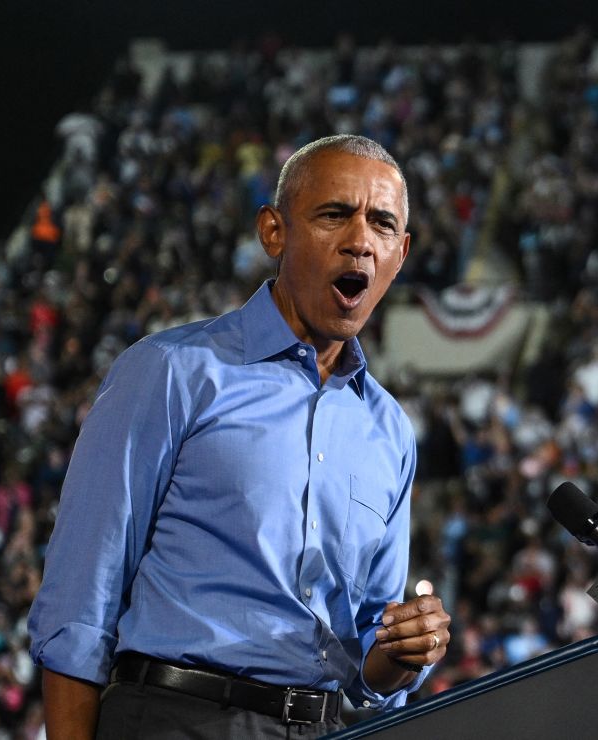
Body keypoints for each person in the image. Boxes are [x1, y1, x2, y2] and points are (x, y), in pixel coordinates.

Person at [28, 134, 452, 739]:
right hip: (177, 719)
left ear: (401, 252)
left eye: (382, 223)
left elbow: (366, 663)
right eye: (334, 214)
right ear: (274, 232)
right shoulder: (172, 371)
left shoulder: (390, 432)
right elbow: (79, 597)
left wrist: (402, 654)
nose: (360, 239)